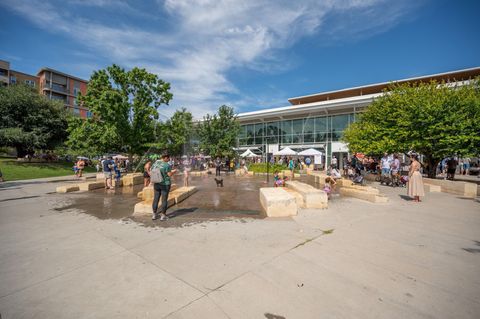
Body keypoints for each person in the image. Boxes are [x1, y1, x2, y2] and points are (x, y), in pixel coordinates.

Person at [152, 154, 177, 221]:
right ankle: (163, 216)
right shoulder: (167, 165)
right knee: (164, 200)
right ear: (165, 158)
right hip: (165, 184)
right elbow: (169, 174)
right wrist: (174, 171)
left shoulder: (155, 164)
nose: (169, 159)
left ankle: (154, 215)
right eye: (168, 158)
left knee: (156, 199)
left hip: (156, 184)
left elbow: (151, 172)